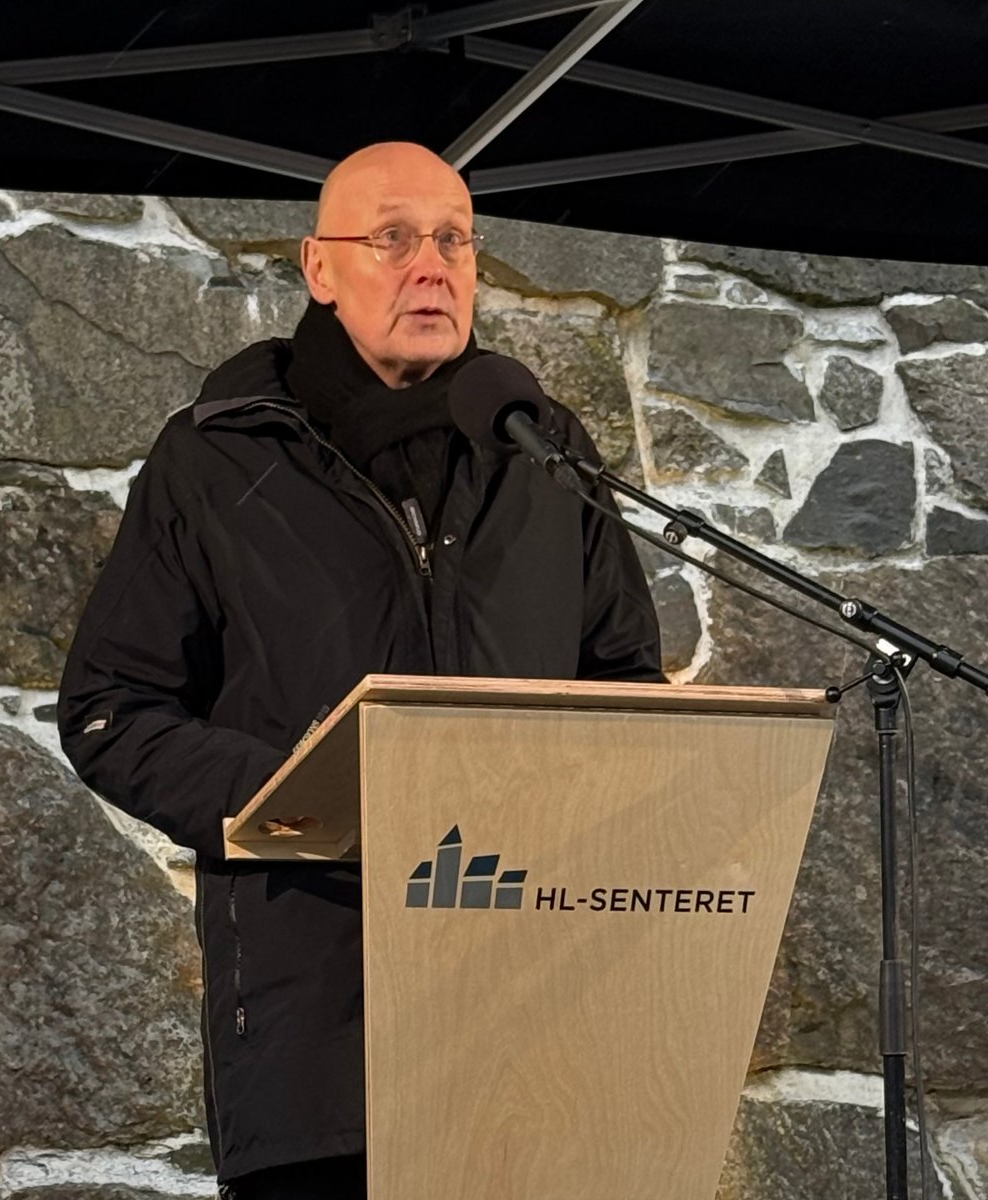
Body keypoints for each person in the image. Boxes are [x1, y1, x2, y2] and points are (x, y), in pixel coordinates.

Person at [57, 141, 663, 1199]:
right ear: (319, 268)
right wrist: (296, 794)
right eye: (391, 237)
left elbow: (624, 689)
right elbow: (113, 711)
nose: (432, 264)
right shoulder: (215, 457)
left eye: (455, 239)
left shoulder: (544, 451)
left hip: (537, 1027)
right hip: (319, 1045)